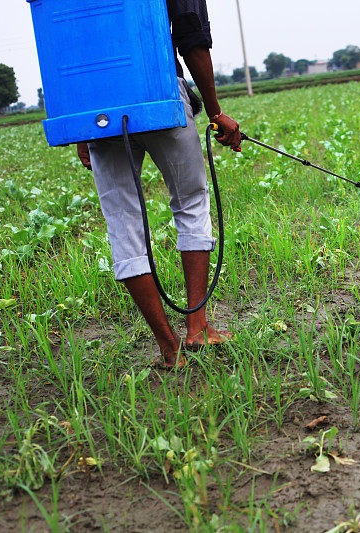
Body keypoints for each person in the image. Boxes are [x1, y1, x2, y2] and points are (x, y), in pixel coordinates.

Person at [76, 0, 240, 369]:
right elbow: (191, 36)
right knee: (191, 202)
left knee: (123, 224)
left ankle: (169, 349)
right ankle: (196, 328)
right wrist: (215, 112)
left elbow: (70, 47)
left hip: (98, 111)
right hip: (160, 94)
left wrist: (80, 129)